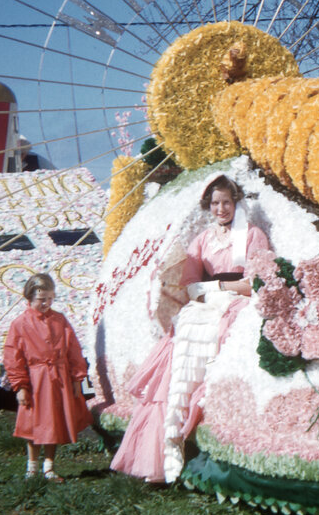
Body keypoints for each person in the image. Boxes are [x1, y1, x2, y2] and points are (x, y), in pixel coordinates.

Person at [110, 174, 271, 483]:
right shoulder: (203, 240)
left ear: (235, 203)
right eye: (215, 203)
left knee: (221, 336)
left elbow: (255, 281)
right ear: (208, 206)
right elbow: (190, 284)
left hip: (237, 302)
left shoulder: (252, 235)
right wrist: (207, 289)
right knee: (182, 339)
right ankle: (166, 443)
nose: (221, 209)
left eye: (226, 202)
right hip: (206, 301)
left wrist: (221, 286)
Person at [3, 273, 93, 482]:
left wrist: (76, 379)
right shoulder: (20, 323)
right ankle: (32, 467)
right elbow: (12, 357)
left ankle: (49, 467)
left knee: (55, 421)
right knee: (33, 422)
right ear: (29, 299)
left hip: (58, 378)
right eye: (41, 299)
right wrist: (20, 386)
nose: (46, 303)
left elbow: (74, 350)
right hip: (36, 379)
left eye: (50, 299)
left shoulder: (59, 320)